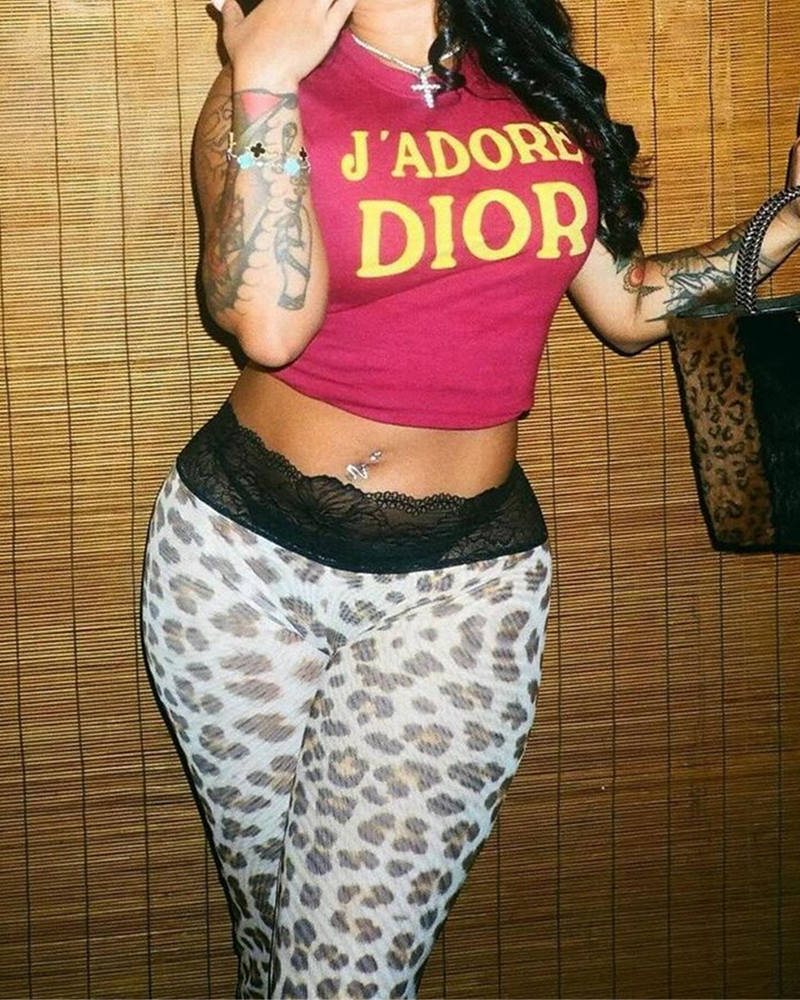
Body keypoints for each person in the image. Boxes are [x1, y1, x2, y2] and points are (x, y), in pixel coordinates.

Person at [139, 0, 800, 995]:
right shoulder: (273, 70)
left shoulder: (535, 84)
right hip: (235, 569)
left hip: (460, 589)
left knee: (344, 978)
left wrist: (791, 219)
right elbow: (268, 329)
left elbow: (626, 307)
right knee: (273, 941)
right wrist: (265, 78)